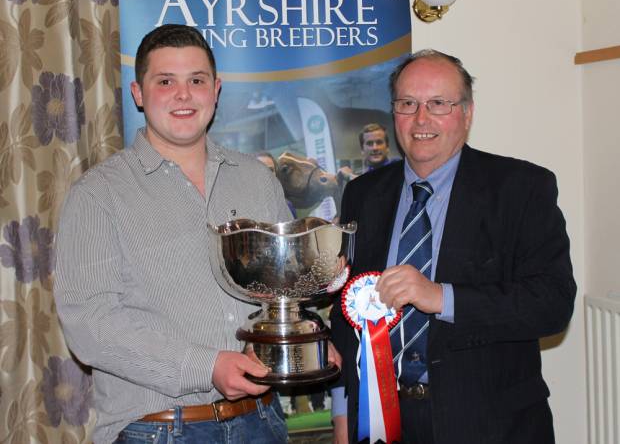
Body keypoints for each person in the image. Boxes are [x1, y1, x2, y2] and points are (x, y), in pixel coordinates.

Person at [54, 24, 297, 444]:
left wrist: (302, 333)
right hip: (161, 430)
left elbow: (282, 286)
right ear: (138, 93)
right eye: (165, 81)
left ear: (215, 90)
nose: (183, 95)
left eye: (196, 80)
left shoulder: (258, 180)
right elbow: (90, 325)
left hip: (262, 421)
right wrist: (206, 366)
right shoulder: (98, 195)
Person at [329, 49, 576, 444]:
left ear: (467, 113)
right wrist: (343, 415)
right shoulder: (363, 194)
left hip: (489, 424)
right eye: (407, 104)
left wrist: (441, 297)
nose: (421, 119)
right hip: (379, 425)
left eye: (438, 104)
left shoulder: (522, 188)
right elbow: (349, 308)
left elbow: (552, 304)